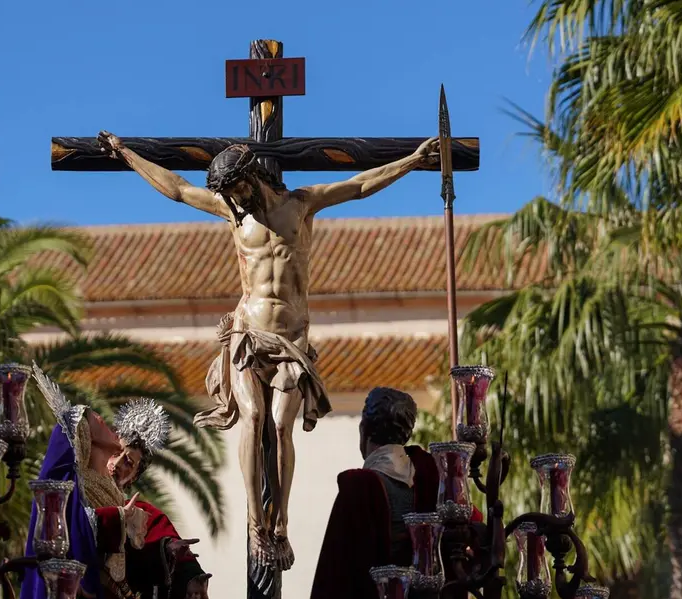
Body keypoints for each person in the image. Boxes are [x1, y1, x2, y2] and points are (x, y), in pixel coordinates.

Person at [96, 132, 441, 570]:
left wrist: (411, 160)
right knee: (254, 417)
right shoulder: (232, 215)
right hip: (247, 333)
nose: (234, 200)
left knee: (280, 427)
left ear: (251, 177)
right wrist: (127, 154)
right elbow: (179, 189)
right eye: (227, 195)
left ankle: (281, 524)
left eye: (236, 190)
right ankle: (256, 524)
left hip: (290, 338)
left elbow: (358, 185)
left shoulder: (301, 204)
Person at [7, 365, 210, 599]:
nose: (122, 468)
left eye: (132, 466)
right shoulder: (75, 487)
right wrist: (116, 521)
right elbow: (66, 527)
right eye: (123, 458)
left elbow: (162, 536)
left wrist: (183, 565)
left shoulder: (133, 506)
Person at [301, 387, 479, 599]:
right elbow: (474, 529)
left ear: (364, 430)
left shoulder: (359, 489)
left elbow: (334, 583)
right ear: (407, 431)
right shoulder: (436, 477)